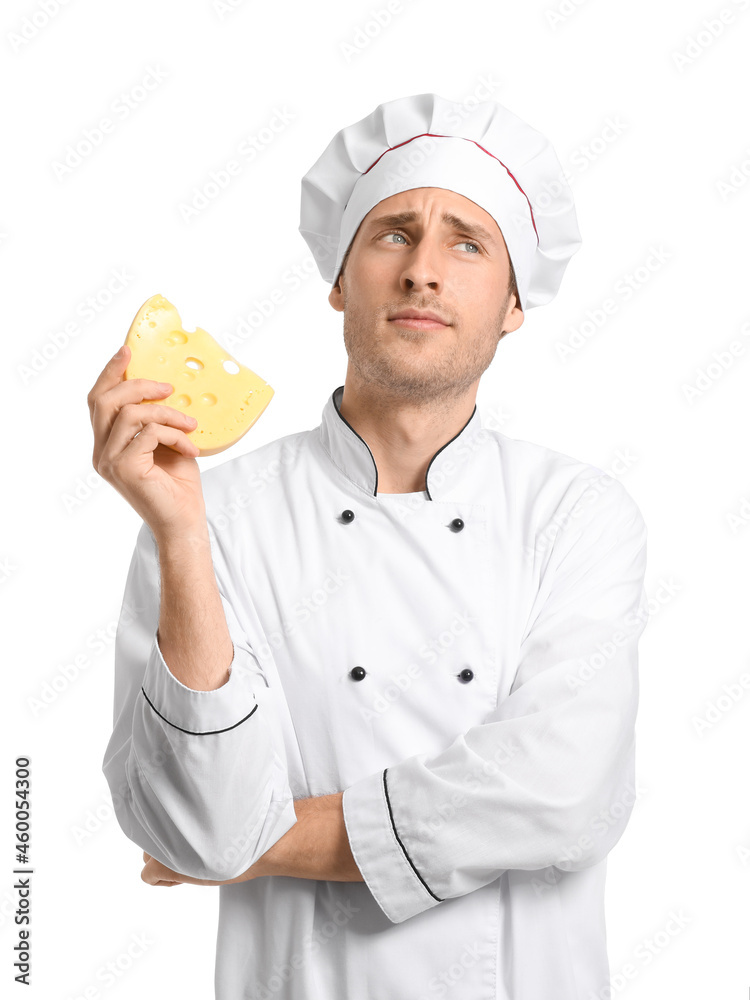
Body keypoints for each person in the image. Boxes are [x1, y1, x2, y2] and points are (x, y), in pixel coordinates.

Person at [90, 93, 649, 1000]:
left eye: (468, 242)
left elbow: (562, 791)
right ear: (340, 281)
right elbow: (183, 817)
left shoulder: (576, 513)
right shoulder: (209, 514)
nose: (424, 270)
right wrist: (182, 533)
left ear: (513, 304)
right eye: (393, 233)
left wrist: (249, 843)